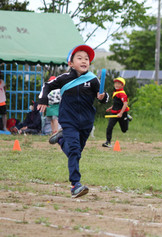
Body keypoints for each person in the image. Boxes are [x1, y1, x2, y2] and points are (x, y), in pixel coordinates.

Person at [37, 44, 109, 198]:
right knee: (75, 150)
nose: (84, 61)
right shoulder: (64, 78)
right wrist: (43, 99)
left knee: (76, 152)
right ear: (70, 63)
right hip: (68, 119)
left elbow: (104, 96)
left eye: (87, 59)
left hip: (86, 121)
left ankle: (61, 140)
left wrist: (103, 97)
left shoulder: (93, 79)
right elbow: (47, 86)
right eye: (80, 58)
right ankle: (75, 185)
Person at [102, 77, 130, 148]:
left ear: (122, 85)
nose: (116, 85)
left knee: (124, 130)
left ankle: (127, 118)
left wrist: (121, 113)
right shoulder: (115, 92)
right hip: (114, 113)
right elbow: (117, 103)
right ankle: (108, 142)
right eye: (115, 83)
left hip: (122, 113)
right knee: (109, 127)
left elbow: (125, 104)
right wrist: (111, 108)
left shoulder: (122, 94)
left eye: (118, 84)